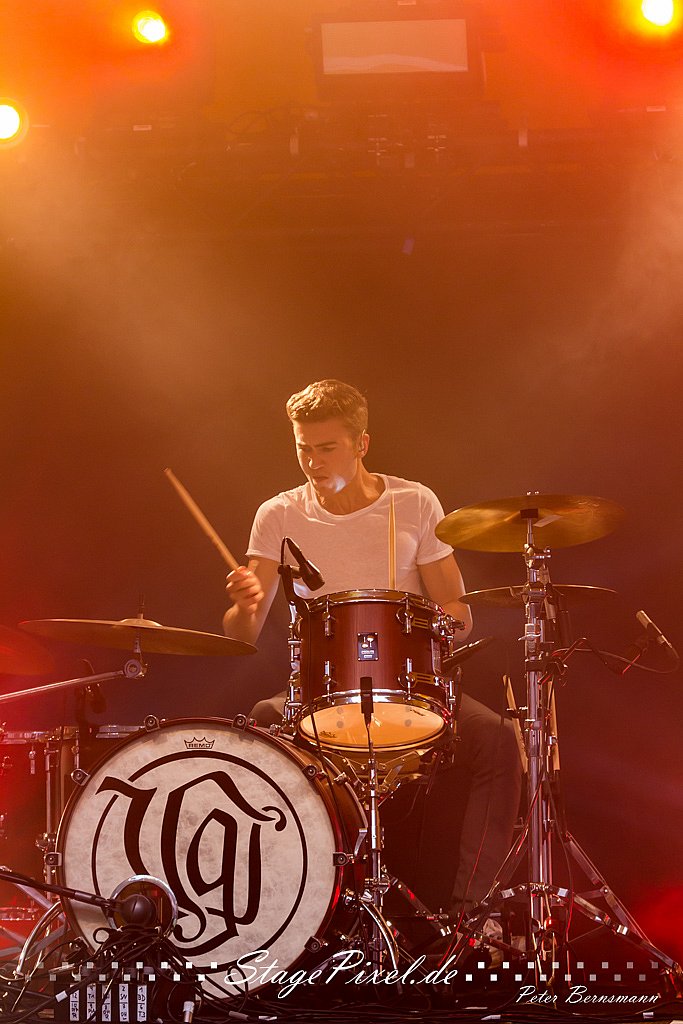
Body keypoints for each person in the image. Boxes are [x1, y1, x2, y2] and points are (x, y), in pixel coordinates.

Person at [223, 379, 521, 920]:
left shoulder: (414, 502)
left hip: (410, 688)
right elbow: (242, 636)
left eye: (327, 447)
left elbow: (459, 612)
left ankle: (471, 918)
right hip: (320, 694)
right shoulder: (279, 514)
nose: (313, 462)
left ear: (362, 444)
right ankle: (281, 915)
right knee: (260, 724)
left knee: (499, 741)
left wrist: (432, 629)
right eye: (303, 448)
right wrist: (245, 607)